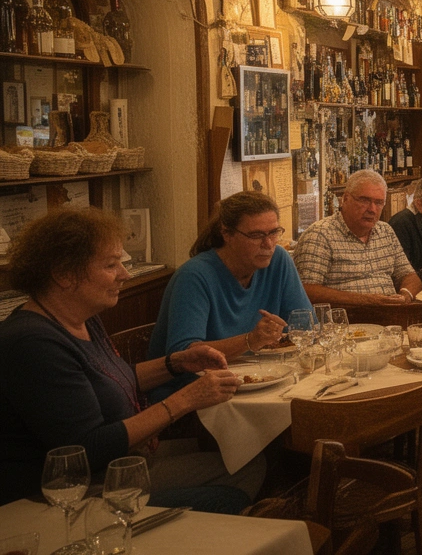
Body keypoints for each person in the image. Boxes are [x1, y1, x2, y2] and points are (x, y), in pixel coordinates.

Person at [0, 209, 258, 512]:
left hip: (122, 461)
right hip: (76, 493)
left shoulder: (80, 317)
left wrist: (177, 362)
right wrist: (185, 400)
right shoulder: (33, 343)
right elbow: (88, 449)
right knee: (237, 478)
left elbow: (113, 379)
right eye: (111, 265)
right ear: (64, 275)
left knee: (247, 456)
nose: (124, 274)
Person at [148, 192, 310, 394]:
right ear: (227, 234)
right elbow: (183, 354)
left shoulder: (279, 260)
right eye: (256, 235)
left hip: (264, 378)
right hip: (192, 392)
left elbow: (306, 325)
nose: (268, 244)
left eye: (274, 232)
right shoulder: (194, 276)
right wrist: (250, 340)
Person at [293, 169, 422, 306]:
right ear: (345, 199)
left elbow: (410, 276)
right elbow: (306, 291)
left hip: (390, 316)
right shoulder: (319, 235)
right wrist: (367, 300)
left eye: (378, 203)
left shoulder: (385, 231)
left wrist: (405, 295)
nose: (372, 209)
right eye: (364, 200)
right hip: (345, 321)